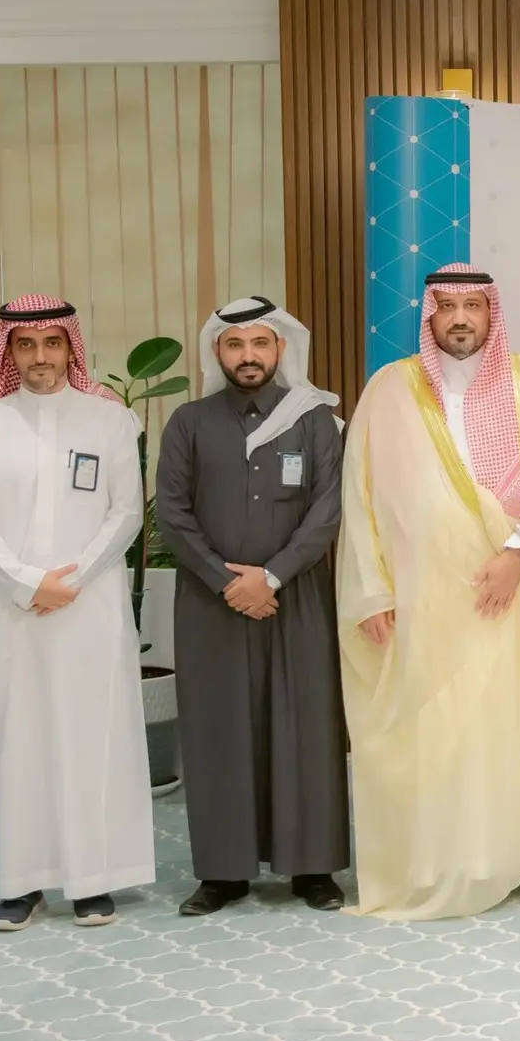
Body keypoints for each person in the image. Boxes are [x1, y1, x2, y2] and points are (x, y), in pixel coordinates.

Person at [336, 263, 520, 920]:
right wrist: (371, 591)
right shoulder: (389, 390)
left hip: (508, 590)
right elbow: (359, 497)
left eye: (474, 306)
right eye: (449, 307)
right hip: (422, 598)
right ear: (430, 316)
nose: (462, 318)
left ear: (492, 315)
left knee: (514, 720)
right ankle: (435, 856)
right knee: (434, 726)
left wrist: (516, 553)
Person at [0, 296, 154, 930]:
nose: (41, 357)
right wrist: (28, 582)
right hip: (8, 614)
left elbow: (126, 513)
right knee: (18, 740)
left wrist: (72, 580)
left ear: (71, 348)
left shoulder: (109, 421)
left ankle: (92, 880)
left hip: (89, 610)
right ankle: (21, 882)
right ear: (9, 353)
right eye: (26, 345)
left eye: (52, 344)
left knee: (91, 736)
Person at [156, 296, 348, 916]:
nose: (248, 356)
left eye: (260, 344)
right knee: (218, 730)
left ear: (280, 349)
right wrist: (227, 581)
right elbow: (173, 515)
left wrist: (271, 576)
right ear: (218, 352)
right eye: (235, 345)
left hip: (297, 599)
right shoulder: (188, 421)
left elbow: (328, 510)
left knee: (305, 727)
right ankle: (223, 873)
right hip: (211, 604)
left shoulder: (315, 420)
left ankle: (312, 867)